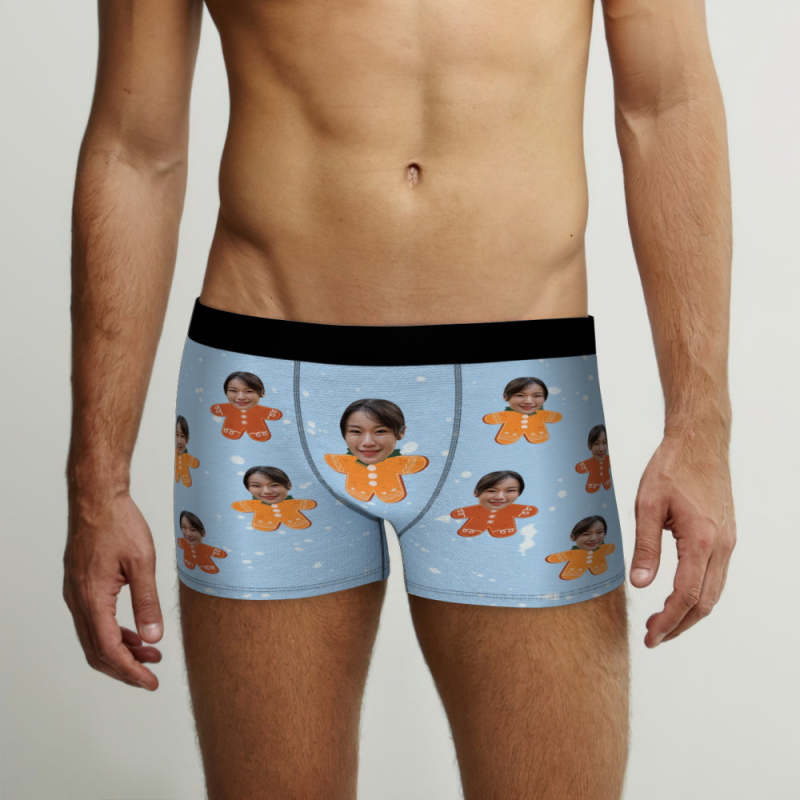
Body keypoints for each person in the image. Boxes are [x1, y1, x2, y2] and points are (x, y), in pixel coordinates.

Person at [62, 0, 736, 797]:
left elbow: (666, 105)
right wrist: (97, 485)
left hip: (521, 394)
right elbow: (135, 150)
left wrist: (701, 428)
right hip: (263, 385)